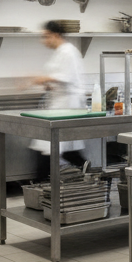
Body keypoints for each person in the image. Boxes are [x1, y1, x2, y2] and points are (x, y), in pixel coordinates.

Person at [26, 21, 88, 171]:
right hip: (60, 103)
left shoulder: (68, 51)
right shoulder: (60, 52)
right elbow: (60, 77)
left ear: (55, 35)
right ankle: (85, 169)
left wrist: (41, 79)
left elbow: (66, 76)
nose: (44, 41)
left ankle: (43, 185)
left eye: (46, 36)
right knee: (61, 146)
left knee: (51, 145)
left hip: (68, 104)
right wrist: (48, 83)